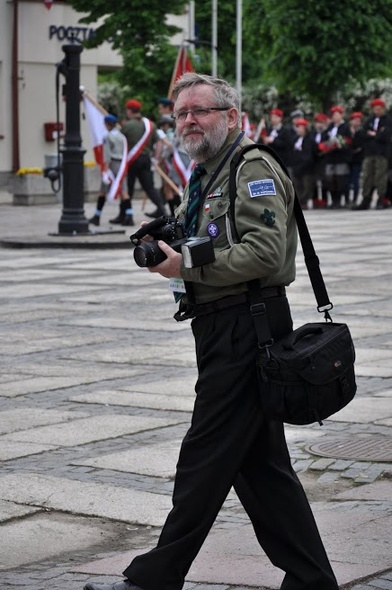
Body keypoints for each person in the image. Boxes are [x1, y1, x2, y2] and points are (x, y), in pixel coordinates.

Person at [83, 73, 339, 590]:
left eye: (200, 110)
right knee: (261, 467)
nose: (189, 121)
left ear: (231, 117)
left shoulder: (251, 166)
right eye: (181, 113)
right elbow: (212, 236)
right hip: (222, 328)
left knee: (204, 456)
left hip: (249, 329)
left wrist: (186, 267)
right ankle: (312, 580)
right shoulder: (206, 175)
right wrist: (168, 236)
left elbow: (266, 252)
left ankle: (152, 580)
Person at [110, 99, 167, 224]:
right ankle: (163, 211)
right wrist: (156, 159)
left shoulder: (127, 126)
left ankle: (124, 215)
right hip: (146, 160)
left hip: (131, 161)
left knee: (127, 189)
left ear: (130, 111)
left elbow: (118, 142)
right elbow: (158, 143)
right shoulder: (151, 125)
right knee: (150, 188)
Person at [89, 114, 131, 227]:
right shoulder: (122, 136)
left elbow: (106, 155)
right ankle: (129, 216)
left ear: (107, 124)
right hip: (122, 165)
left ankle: (97, 216)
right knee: (124, 191)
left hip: (112, 165)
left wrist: (105, 171)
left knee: (103, 191)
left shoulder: (107, 137)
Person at [352, 98, 392, 210]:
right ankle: (366, 198)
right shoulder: (369, 120)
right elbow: (363, 134)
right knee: (367, 176)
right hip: (369, 152)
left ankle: (381, 198)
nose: (377, 111)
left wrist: (374, 134)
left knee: (380, 176)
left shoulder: (388, 120)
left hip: (382, 153)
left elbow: (385, 136)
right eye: (375, 109)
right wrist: (376, 134)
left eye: (379, 109)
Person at [319, 105, 351, 209]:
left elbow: (348, 140)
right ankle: (333, 200)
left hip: (341, 157)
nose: (335, 117)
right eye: (334, 115)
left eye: (337, 114)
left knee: (340, 179)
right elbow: (323, 138)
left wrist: (339, 144)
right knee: (330, 180)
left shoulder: (345, 127)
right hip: (330, 158)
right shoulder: (330, 127)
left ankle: (341, 199)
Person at [290, 118, 317, 209]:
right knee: (297, 185)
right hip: (297, 166)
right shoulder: (295, 139)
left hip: (306, 167)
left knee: (307, 186)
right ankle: (299, 201)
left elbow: (309, 155)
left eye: (300, 127)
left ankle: (304, 201)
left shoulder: (309, 139)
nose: (298, 129)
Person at [346, 112, 365, 207]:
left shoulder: (362, 131)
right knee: (348, 180)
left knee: (355, 180)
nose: (355, 122)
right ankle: (348, 199)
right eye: (354, 120)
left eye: (357, 120)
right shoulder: (349, 131)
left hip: (358, 159)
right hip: (349, 159)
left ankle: (355, 198)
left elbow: (359, 145)